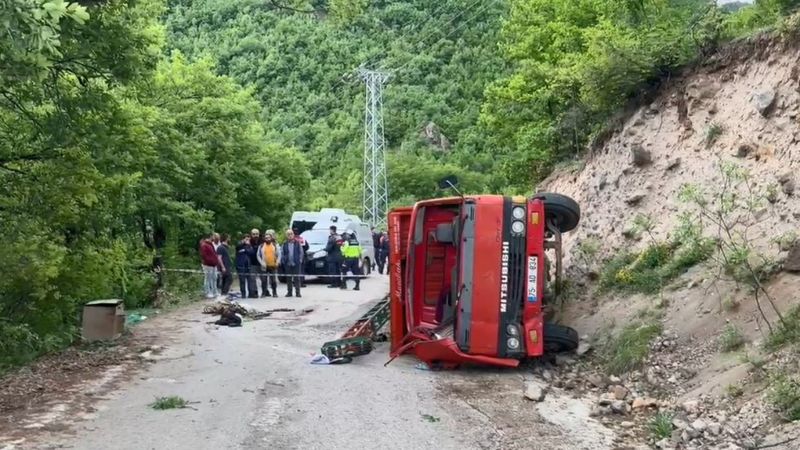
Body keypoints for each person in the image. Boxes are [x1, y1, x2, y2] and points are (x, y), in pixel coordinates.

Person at [281, 229, 303, 297]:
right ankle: (289, 292)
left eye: (291, 234)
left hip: (296, 263)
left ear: (293, 235)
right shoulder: (284, 244)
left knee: (297, 279)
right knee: (288, 279)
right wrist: (284, 260)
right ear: (286, 236)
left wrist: (300, 260)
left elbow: (301, 252)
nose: (290, 235)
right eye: (288, 234)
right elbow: (282, 253)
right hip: (288, 264)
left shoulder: (297, 243)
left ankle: (298, 292)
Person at [258, 231, 280, 297]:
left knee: (273, 280)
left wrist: (277, 262)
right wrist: (261, 262)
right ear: (264, 239)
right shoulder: (261, 246)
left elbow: (279, 255)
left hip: (273, 265)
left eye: (268, 238)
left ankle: (275, 292)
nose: (267, 239)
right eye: (266, 238)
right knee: (264, 280)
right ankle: (263, 293)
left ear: (271, 238)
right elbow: (258, 255)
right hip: (264, 266)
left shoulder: (274, 245)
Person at [199, 234, 221, 299]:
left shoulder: (210, 244)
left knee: (214, 278)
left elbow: (213, 253)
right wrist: (211, 261)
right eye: (212, 237)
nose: (213, 238)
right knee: (208, 279)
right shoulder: (204, 245)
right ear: (209, 237)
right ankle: (207, 293)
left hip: (213, 264)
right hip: (207, 264)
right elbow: (204, 255)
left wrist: (215, 261)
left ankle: (215, 292)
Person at [247, 228, 262, 297]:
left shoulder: (262, 242)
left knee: (264, 278)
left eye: (257, 234)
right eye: (254, 234)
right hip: (252, 263)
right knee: (252, 279)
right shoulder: (248, 242)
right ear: (251, 235)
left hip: (261, 263)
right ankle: (254, 292)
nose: (255, 235)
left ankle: (265, 291)